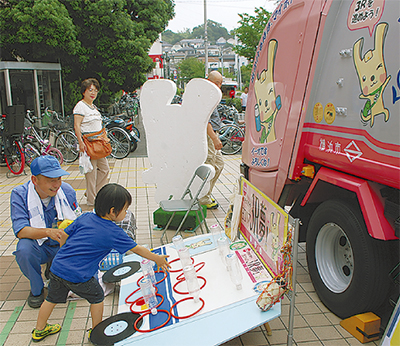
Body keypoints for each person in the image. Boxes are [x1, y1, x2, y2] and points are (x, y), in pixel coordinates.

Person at [31, 183, 171, 343]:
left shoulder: (85, 217)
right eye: (125, 209)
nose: (126, 213)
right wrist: (157, 258)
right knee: (97, 297)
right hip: (79, 275)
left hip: (57, 268)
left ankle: (39, 330)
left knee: (51, 299)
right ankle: (96, 331)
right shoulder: (113, 232)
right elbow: (137, 249)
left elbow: (63, 234)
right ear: (112, 211)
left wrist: (64, 253)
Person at [10, 156, 80, 308]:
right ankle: (37, 289)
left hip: (61, 245)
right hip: (39, 246)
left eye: (59, 178)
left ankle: (55, 269)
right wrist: (48, 232)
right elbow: (21, 230)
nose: (57, 185)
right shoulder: (20, 194)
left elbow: (77, 219)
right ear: (35, 180)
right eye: (51, 180)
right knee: (24, 250)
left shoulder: (66, 191)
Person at [73, 78, 110, 210]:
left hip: (99, 144)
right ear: (84, 92)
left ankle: (94, 193)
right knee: (91, 172)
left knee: (105, 169)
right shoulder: (80, 106)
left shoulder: (93, 107)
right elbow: (77, 126)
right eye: (90, 90)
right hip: (88, 144)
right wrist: (80, 142)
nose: (93, 93)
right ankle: (92, 200)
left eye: (95, 90)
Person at [199, 70, 225, 209]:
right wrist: (214, 138)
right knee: (209, 165)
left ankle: (205, 194)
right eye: (217, 83)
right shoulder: (205, 96)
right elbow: (206, 120)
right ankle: (203, 197)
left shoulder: (211, 95)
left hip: (212, 133)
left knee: (219, 164)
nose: (219, 86)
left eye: (220, 83)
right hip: (208, 135)